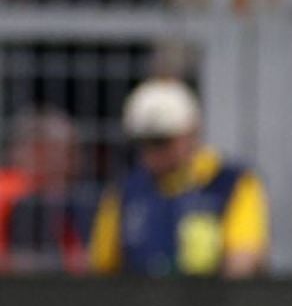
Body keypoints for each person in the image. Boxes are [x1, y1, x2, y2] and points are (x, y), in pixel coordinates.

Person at [89, 79, 269, 277]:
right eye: (143, 142)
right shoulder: (124, 192)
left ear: (191, 132)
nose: (152, 152)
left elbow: (243, 262)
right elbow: (102, 268)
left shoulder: (231, 183)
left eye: (161, 141)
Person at [0, 108, 96, 273]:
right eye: (69, 152)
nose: (76, 162)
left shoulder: (51, 197)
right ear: (39, 150)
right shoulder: (12, 193)